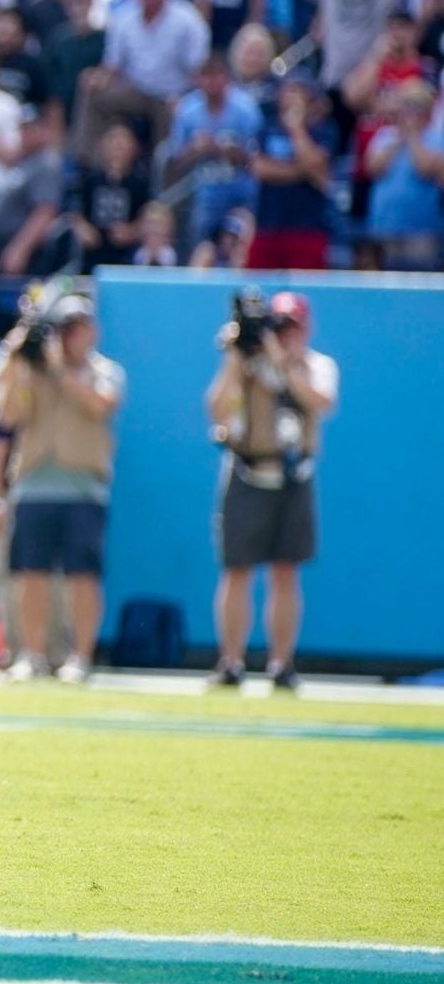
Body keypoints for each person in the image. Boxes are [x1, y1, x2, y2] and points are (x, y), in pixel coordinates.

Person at [0, 295, 125, 682]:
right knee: (32, 574)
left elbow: (99, 406)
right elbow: (10, 415)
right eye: (63, 329)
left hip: (84, 487)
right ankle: (32, 654)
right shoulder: (33, 372)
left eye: (76, 328)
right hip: (34, 486)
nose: (69, 337)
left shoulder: (104, 371)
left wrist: (59, 370)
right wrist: (16, 360)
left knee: (83, 576)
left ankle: (79, 656)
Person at [207, 290, 337, 690]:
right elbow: (215, 409)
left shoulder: (316, 365)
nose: (283, 334)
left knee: (285, 572)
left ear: (307, 327)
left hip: (293, 475)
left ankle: (281, 663)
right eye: (277, 326)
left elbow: (321, 402)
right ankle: (231, 661)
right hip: (248, 472)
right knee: (237, 571)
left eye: (291, 326)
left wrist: (282, 362)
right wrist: (235, 357)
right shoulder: (248, 365)